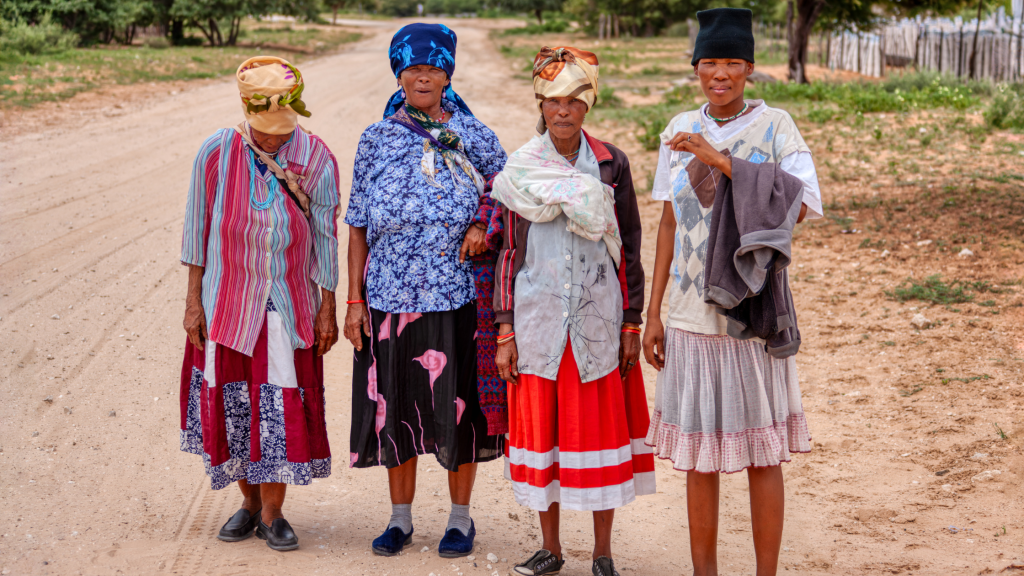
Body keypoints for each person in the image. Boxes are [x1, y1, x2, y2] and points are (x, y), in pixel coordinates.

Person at [642, 8, 821, 576]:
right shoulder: (677, 128)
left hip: (751, 309)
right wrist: (654, 314)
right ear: (696, 67)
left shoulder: (777, 127)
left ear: (749, 67)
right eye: (709, 62)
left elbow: (803, 204)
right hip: (690, 313)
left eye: (731, 63)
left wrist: (720, 160)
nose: (719, 74)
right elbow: (668, 224)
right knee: (699, 455)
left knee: (761, 455)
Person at [344, 23, 508, 558]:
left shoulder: (474, 135)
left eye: (433, 68)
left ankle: (460, 520)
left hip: (456, 296)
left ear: (447, 74)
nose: (422, 76)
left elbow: (506, 192)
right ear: (398, 73)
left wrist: (483, 224)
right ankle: (400, 520)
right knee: (396, 408)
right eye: (412, 68)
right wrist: (353, 300)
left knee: (456, 409)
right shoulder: (376, 139)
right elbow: (358, 226)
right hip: (389, 298)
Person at [491, 46, 655, 576]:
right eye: (552, 101)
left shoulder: (610, 163)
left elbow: (628, 242)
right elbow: (509, 252)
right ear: (539, 105)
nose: (562, 112)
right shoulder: (520, 168)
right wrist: (504, 330)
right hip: (538, 323)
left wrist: (632, 322)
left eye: (573, 102)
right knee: (548, 441)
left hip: (598, 323)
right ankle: (552, 548)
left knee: (597, 438)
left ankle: (602, 553)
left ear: (589, 105)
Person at [179, 56, 340, 552]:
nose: (274, 139)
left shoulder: (316, 158)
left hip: (286, 305)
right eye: (265, 132)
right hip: (226, 304)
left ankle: (273, 513)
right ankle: (248, 504)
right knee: (236, 406)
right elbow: (196, 230)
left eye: (282, 130)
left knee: (276, 408)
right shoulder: (215, 152)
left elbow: (326, 238)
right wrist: (193, 303)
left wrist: (327, 306)